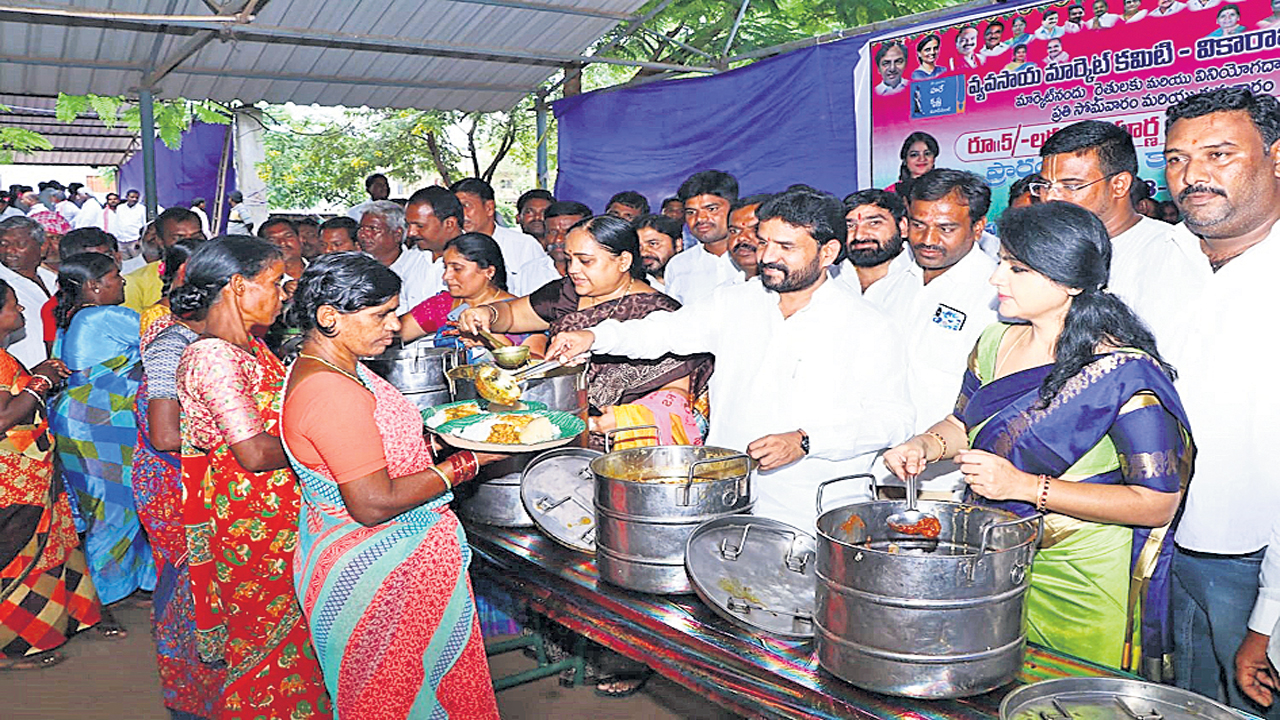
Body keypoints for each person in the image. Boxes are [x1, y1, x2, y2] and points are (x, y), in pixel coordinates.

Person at [885, 201, 1191, 676]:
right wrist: (924, 446)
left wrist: (1025, 488)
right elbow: (961, 423)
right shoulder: (994, 341)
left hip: (1080, 576)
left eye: (1017, 268)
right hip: (993, 557)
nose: (996, 279)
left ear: (1069, 280)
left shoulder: (1121, 373)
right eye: (1002, 262)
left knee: (1069, 698)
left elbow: (1156, 505)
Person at [541, 188, 913, 531]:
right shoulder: (735, 302)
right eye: (764, 242)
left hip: (813, 509)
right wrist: (594, 336)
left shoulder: (868, 325)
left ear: (828, 252)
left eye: (786, 246)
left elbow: (893, 420)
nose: (768, 256)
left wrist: (805, 441)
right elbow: (662, 331)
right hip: (728, 497)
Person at [280, 253, 501, 719]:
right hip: (376, 576)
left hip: (394, 569)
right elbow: (373, 502)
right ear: (329, 317)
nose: (395, 325)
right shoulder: (331, 391)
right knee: (391, 701)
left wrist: (436, 441)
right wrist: (469, 462)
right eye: (380, 314)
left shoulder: (344, 368)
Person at [1122, 87, 1280, 716]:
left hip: (1255, 558)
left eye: (1219, 154)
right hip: (1156, 541)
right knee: (1181, 703)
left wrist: (1270, 617)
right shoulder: (1160, 256)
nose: (1194, 176)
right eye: (1178, 159)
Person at [171, 237, 331, 719]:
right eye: (275, 283)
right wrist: (339, 445)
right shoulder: (214, 356)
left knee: (297, 633)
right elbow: (255, 451)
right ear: (239, 287)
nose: (285, 293)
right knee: (265, 638)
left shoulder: (253, 347)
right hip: (251, 523)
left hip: (280, 509)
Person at [459, 215, 711, 449]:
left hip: (628, 442)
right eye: (570, 259)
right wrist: (488, 313)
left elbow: (676, 394)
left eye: (585, 261)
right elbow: (512, 315)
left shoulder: (660, 313)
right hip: (557, 428)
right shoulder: (566, 293)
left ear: (623, 261)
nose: (573, 269)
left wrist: (624, 419)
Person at [129, 236, 220, 718]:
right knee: (190, 585)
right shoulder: (172, 343)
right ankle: (192, 693)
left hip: (193, 477)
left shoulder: (213, 340)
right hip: (174, 481)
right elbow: (167, 436)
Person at [871, 170, 1000, 499]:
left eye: (946, 228)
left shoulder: (998, 296)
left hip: (949, 485)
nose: (928, 239)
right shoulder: (886, 288)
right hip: (876, 476)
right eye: (918, 224)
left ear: (978, 227)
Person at [48, 253, 155, 618]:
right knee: (114, 507)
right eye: (115, 277)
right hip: (99, 422)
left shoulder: (72, 316)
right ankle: (98, 600)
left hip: (83, 418)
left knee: (111, 504)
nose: (122, 283)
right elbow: (166, 336)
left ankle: (123, 584)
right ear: (94, 287)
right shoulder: (105, 315)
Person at [0, 280, 99, 671]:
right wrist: (40, 380)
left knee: (47, 550)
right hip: (12, 481)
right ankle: (12, 647)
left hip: (28, 472)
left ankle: (58, 623)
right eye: (13, 306)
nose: (21, 312)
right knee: (15, 559)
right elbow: (4, 418)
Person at [1036, 121, 1171, 314]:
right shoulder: (1042, 247)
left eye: (1071, 186)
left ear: (1119, 185)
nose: (1050, 197)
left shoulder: (1167, 250)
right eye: (1046, 185)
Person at [399, 232, 546, 355]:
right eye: (445, 268)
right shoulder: (442, 306)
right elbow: (392, 333)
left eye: (457, 269)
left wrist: (491, 340)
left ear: (489, 271)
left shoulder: (523, 314)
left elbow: (537, 366)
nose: (446, 277)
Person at [451, 178, 560, 296]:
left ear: (489, 208)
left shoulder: (524, 245)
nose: (461, 214)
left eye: (466, 206)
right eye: (456, 208)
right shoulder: (452, 248)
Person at [663, 170, 743, 306]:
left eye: (711, 209)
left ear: (734, 209)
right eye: (691, 212)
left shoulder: (755, 258)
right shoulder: (678, 265)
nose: (700, 218)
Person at [360, 199, 439, 313]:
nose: (364, 234)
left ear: (397, 234)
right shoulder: (359, 266)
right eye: (362, 228)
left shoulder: (421, 263)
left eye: (373, 229)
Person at [0, 217, 57, 368]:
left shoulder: (52, 279)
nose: (10, 251)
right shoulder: (2, 285)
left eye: (20, 245)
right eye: (3, 245)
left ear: (43, 246)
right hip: (17, 382)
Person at [126, 207, 205, 314]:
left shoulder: (221, 275)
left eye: (196, 236)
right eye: (179, 238)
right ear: (159, 241)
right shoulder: (135, 282)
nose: (189, 243)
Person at [831, 189, 908, 298]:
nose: (859, 236)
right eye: (850, 226)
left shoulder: (922, 280)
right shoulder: (825, 280)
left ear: (902, 227)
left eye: (874, 223)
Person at [725, 194, 771, 281]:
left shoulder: (796, 292)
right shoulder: (723, 292)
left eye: (755, 229)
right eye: (734, 231)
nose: (741, 237)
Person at [633, 213, 683, 291]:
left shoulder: (697, 278)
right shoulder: (631, 285)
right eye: (638, 246)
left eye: (653, 244)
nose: (643, 253)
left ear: (678, 244)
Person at [543, 201, 592, 277]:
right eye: (553, 232)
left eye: (567, 232)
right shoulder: (529, 271)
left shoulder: (599, 271)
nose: (558, 240)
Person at [259, 216, 306, 283]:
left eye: (288, 236)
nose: (282, 242)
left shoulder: (321, 270)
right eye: (272, 240)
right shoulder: (261, 281)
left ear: (300, 239)